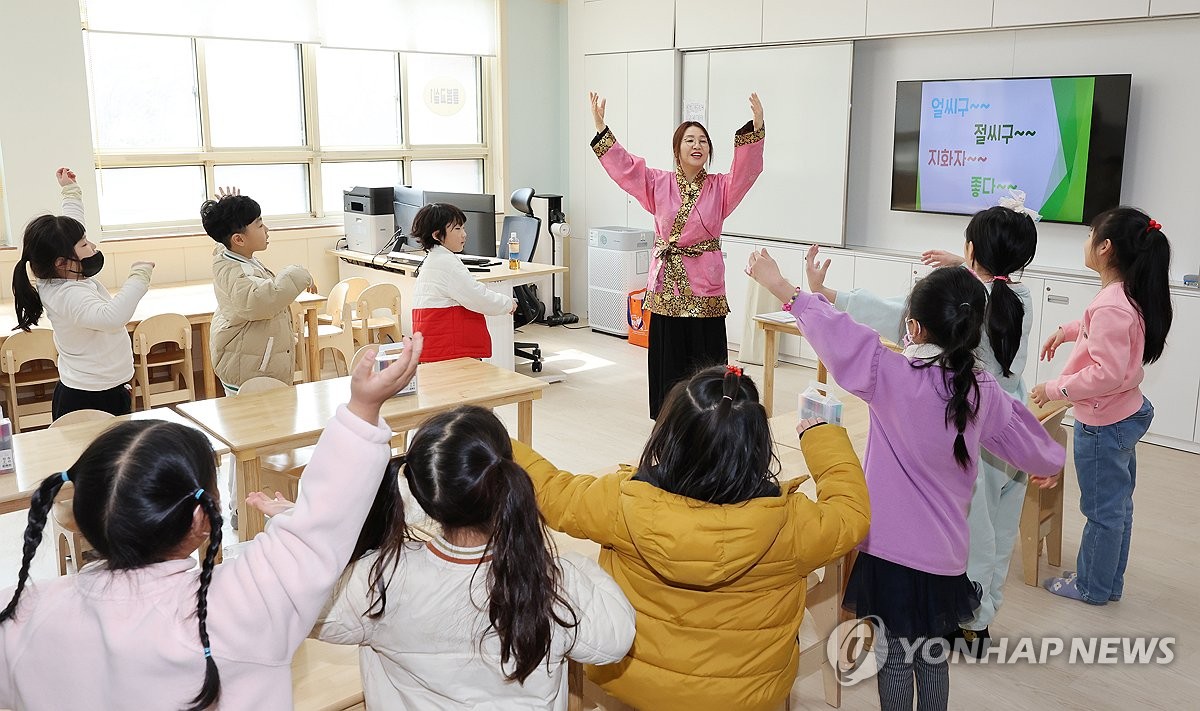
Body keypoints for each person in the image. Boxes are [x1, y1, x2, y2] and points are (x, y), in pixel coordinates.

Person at [0, 335, 423, 710]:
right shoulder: (233, 612)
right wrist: (363, 408)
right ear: (202, 519)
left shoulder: (21, 613)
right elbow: (319, 528)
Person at [747, 250, 1064, 711]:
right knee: (932, 655)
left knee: (895, 655)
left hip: (890, 554)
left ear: (913, 327)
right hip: (945, 556)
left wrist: (783, 287)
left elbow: (840, 336)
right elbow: (1026, 437)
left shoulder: (888, 373)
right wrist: (1047, 462)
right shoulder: (981, 389)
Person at [508, 365, 870, 711]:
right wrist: (822, 436)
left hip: (631, 677)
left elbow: (552, 491)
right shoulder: (793, 526)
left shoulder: (621, 503)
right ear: (758, 445)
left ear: (669, 436)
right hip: (748, 692)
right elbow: (852, 514)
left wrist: (494, 441)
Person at [248, 406, 635, 709]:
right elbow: (615, 638)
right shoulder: (552, 582)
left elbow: (305, 603)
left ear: (417, 495)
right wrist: (574, 565)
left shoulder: (380, 579)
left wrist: (298, 527)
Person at [806, 200, 1039, 645]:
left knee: (976, 529)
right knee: (1002, 527)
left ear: (972, 252)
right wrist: (967, 266)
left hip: (976, 426)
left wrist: (828, 293)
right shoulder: (1016, 297)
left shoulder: (967, 305)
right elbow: (989, 287)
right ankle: (983, 617)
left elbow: (899, 313)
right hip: (1013, 419)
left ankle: (966, 622)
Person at [588, 90, 765, 418]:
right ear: (676, 149)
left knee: (706, 357)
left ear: (709, 150)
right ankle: (669, 418)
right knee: (670, 357)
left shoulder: (721, 188)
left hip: (706, 287)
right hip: (668, 285)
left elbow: (746, 173)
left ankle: (712, 418)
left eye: (702, 141)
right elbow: (626, 169)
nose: (697, 146)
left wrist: (755, 128)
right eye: (689, 140)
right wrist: (601, 126)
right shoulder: (657, 182)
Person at [1034, 207, 1172, 605]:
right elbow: (1100, 330)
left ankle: (1092, 586)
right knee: (1118, 506)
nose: (1086, 241)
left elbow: (1106, 373)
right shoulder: (1126, 293)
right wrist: (1067, 330)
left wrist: (1056, 387)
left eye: (1090, 234)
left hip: (1103, 424)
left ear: (1105, 247)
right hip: (1124, 414)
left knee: (1102, 511)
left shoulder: (1112, 303)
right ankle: (1109, 582)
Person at [11, 167, 154, 418]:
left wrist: (70, 191)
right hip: (90, 397)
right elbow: (112, 317)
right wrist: (138, 278)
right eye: (85, 244)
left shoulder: (62, 276)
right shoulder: (67, 295)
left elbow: (73, 226)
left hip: (103, 389)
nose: (93, 247)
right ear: (61, 262)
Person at [201, 188, 315, 395]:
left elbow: (223, 242)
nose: (267, 230)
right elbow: (261, 300)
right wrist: (298, 273)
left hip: (251, 364)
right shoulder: (238, 272)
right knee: (256, 424)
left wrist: (226, 211)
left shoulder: (231, 256)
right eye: (260, 225)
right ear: (238, 240)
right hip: (251, 373)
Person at [409, 202, 517, 363]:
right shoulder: (447, 263)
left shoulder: (434, 259)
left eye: (463, 228)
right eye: (457, 229)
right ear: (437, 235)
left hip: (434, 344)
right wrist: (507, 304)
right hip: (449, 346)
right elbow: (476, 297)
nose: (464, 234)